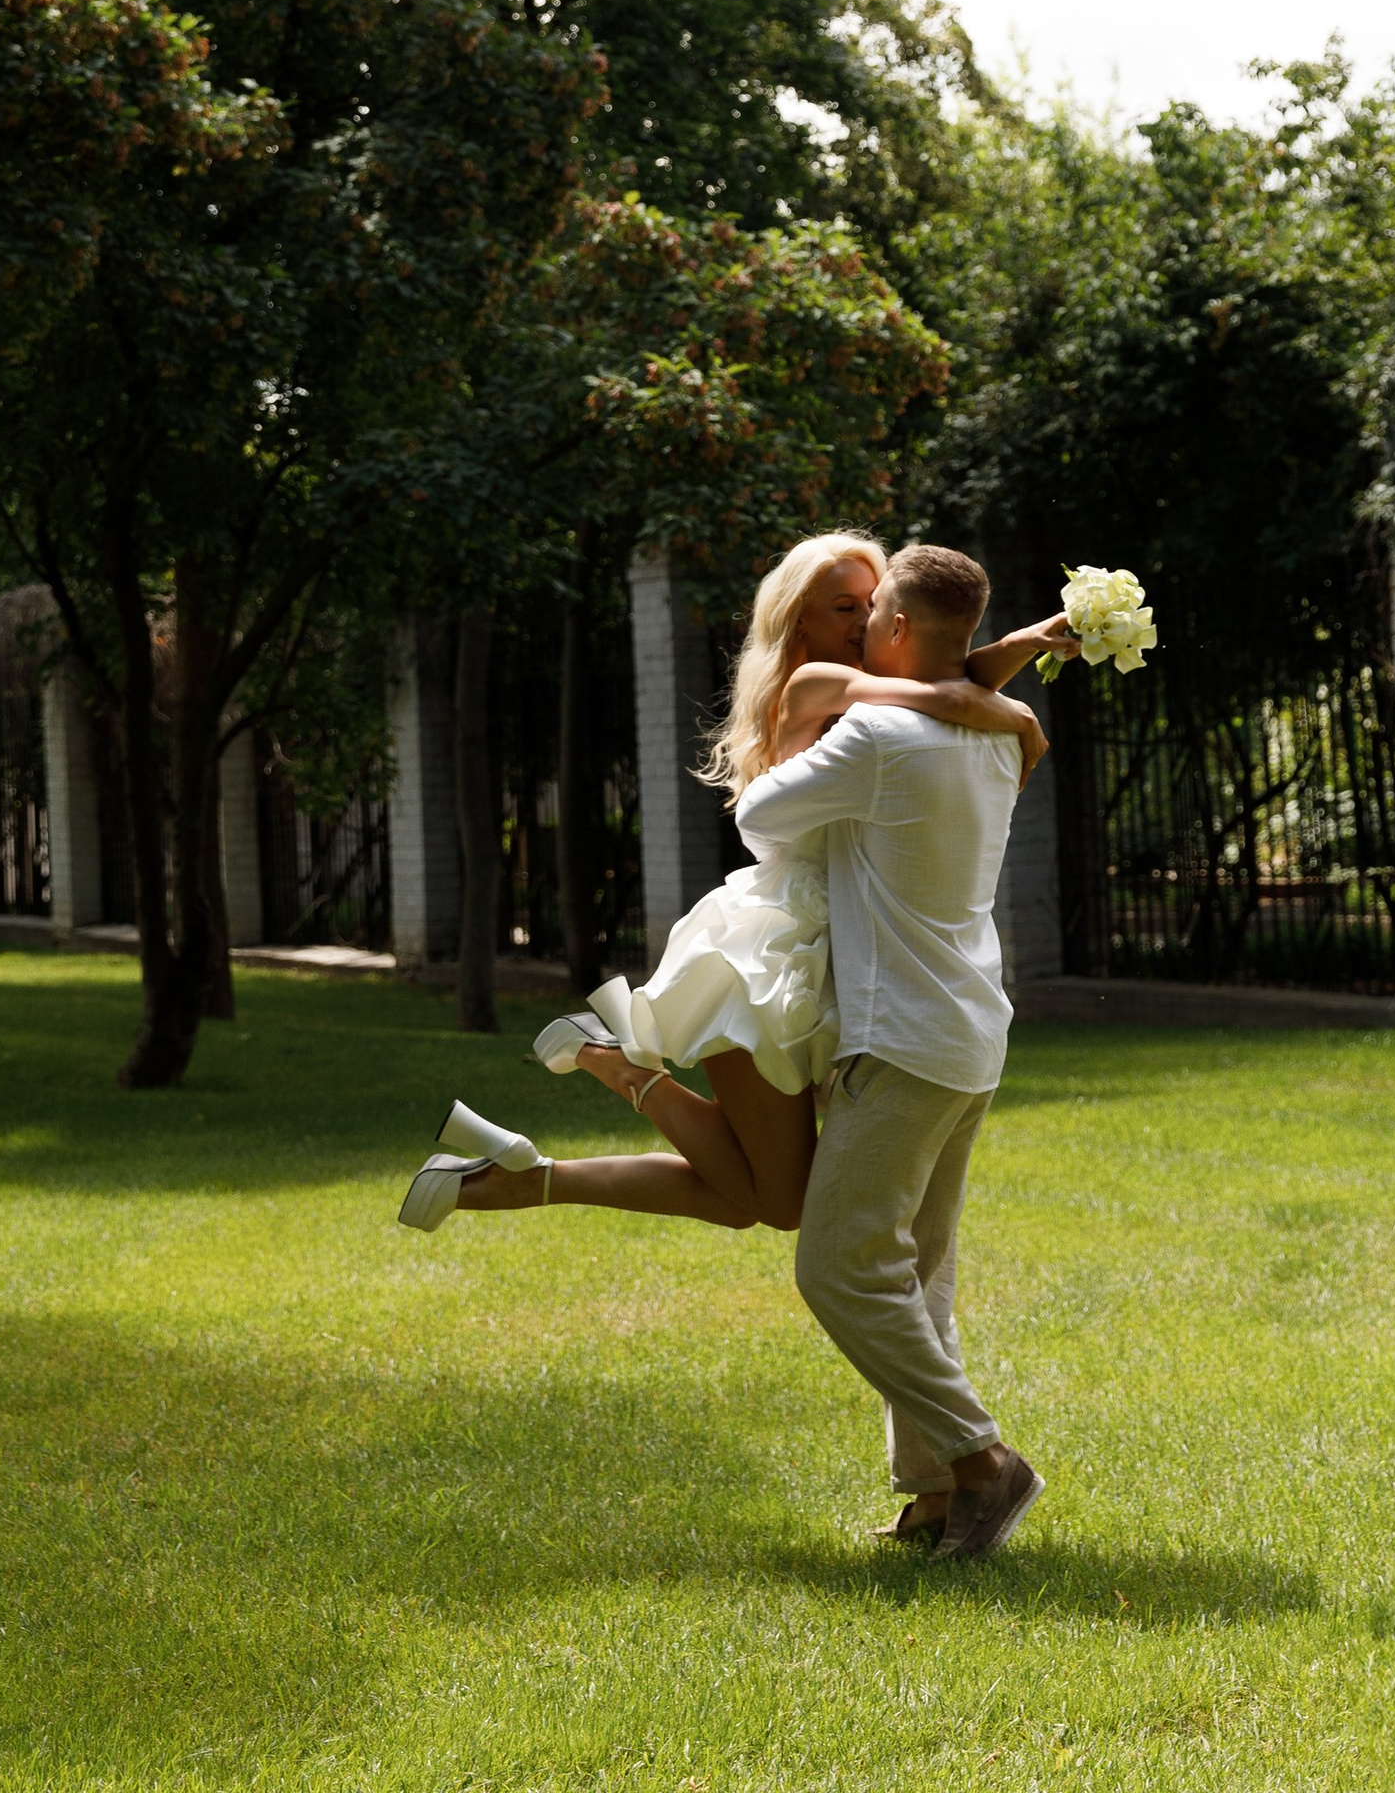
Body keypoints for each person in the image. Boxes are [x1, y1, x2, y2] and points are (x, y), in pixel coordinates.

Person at [396, 530, 1060, 1243]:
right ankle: (616, 1065)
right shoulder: (819, 685)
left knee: (753, 1197)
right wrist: (1012, 709)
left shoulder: (885, 700)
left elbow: (944, 678)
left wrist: (1021, 651)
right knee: (783, 1204)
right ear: (799, 620)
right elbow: (950, 693)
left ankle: (527, 1177)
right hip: (771, 957)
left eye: (870, 605)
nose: (863, 621)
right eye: (843, 607)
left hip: (837, 952)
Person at [736, 541, 1046, 1558]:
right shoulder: (1001, 738)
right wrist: (976, 690)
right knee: (920, 1275)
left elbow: (757, 815)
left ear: (900, 630)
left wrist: (811, 707)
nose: (861, 627)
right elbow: (965, 698)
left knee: (837, 1271)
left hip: (902, 1041)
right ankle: (932, 1502)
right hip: (971, 1035)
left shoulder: (873, 734)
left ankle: (980, 1462)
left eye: (874, 616)